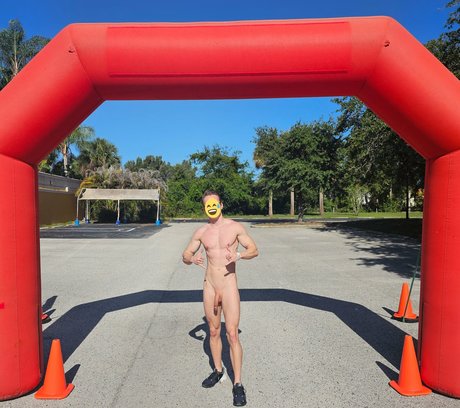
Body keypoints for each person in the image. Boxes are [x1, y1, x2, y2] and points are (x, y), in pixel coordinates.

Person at [182, 190, 258, 407]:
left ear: (221, 205)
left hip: (229, 286)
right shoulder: (202, 231)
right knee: (213, 331)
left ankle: (238, 383)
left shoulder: (234, 227)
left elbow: (254, 250)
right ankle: (217, 370)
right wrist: (191, 259)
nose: (211, 207)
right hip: (210, 286)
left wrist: (238, 255)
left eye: (214, 204)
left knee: (232, 334)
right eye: (207, 204)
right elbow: (185, 254)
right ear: (204, 208)